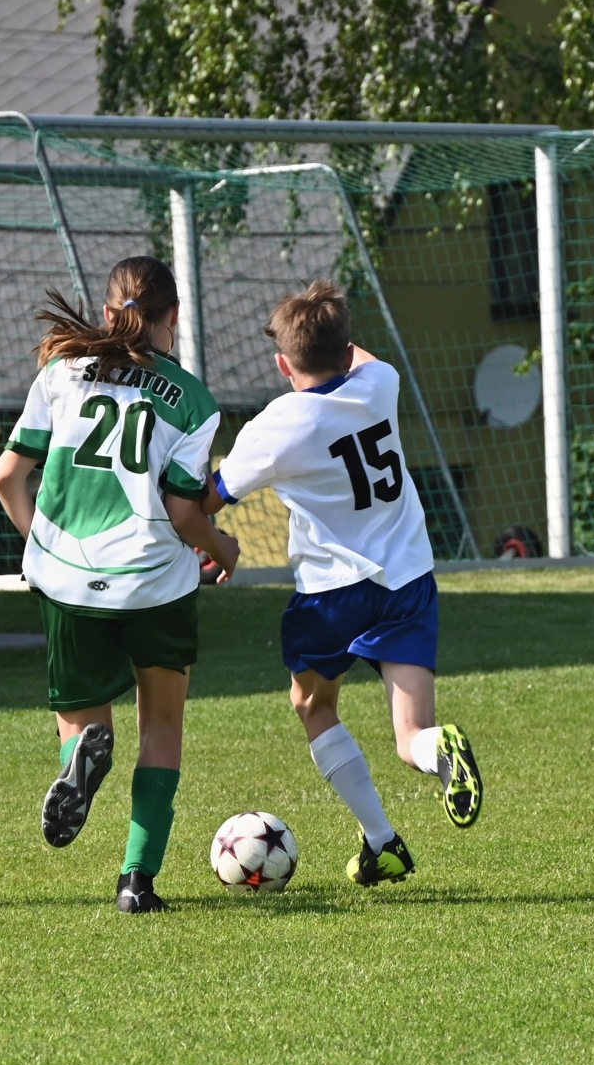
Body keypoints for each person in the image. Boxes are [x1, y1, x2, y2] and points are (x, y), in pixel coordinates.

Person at [202, 281, 482, 887]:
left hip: (333, 594)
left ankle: (382, 838)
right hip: (408, 580)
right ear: (347, 347)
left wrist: (208, 541)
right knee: (410, 734)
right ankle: (437, 754)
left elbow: (209, 497)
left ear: (283, 365)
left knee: (312, 704)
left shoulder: (279, 425)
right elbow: (362, 357)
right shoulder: (380, 384)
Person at [0, 256, 238, 914]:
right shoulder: (192, 400)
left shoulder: (60, 373)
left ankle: (80, 757)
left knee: (82, 723)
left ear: (107, 312)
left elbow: (6, 477)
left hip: (67, 578)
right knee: (162, 725)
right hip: (154, 582)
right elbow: (184, 514)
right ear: (174, 317)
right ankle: (137, 880)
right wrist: (224, 547)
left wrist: (43, 543)